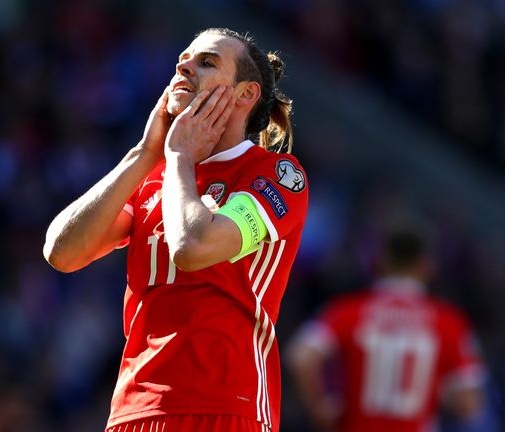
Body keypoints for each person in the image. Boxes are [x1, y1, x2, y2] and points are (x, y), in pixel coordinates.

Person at [43, 28, 308, 432]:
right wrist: (144, 154)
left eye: (207, 62)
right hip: (134, 409)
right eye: (183, 59)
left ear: (245, 94)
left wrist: (180, 156)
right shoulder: (156, 175)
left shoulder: (273, 175)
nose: (184, 66)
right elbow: (61, 252)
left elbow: (194, 246)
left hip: (225, 407)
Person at [287, 226, 485, 432]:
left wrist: (319, 409)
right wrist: (432, 390)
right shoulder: (449, 323)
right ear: (428, 265)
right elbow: (468, 402)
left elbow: (301, 358)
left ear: (379, 260)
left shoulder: (348, 310)